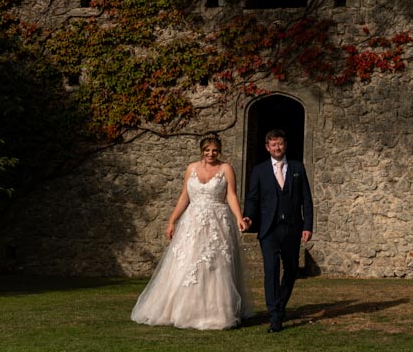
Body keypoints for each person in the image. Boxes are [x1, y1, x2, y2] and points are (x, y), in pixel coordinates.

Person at [131, 134, 255, 329]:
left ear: (219, 151)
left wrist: (239, 218)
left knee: (216, 265)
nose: (211, 154)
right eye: (207, 150)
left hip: (217, 222)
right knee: (187, 262)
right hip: (192, 222)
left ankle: (217, 312)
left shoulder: (226, 169)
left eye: (214, 150)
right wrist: (172, 221)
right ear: (201, 151)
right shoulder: (191, 168)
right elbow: (183, 197)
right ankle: (181, 309)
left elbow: (231, 195)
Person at [242, 129, 313, 333]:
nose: (277, 147)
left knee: (291, 270)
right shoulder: (260, 170)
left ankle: (279, 305)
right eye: (273, 145)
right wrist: (249, 216)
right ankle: (274, 315)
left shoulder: (298, 168)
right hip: (269, 229)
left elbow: (306, 200)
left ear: (285, 145)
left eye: (280, 144)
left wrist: (307, 225)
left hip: (292, 228)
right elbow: (253, 198)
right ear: (267, 147)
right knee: (271, 271)